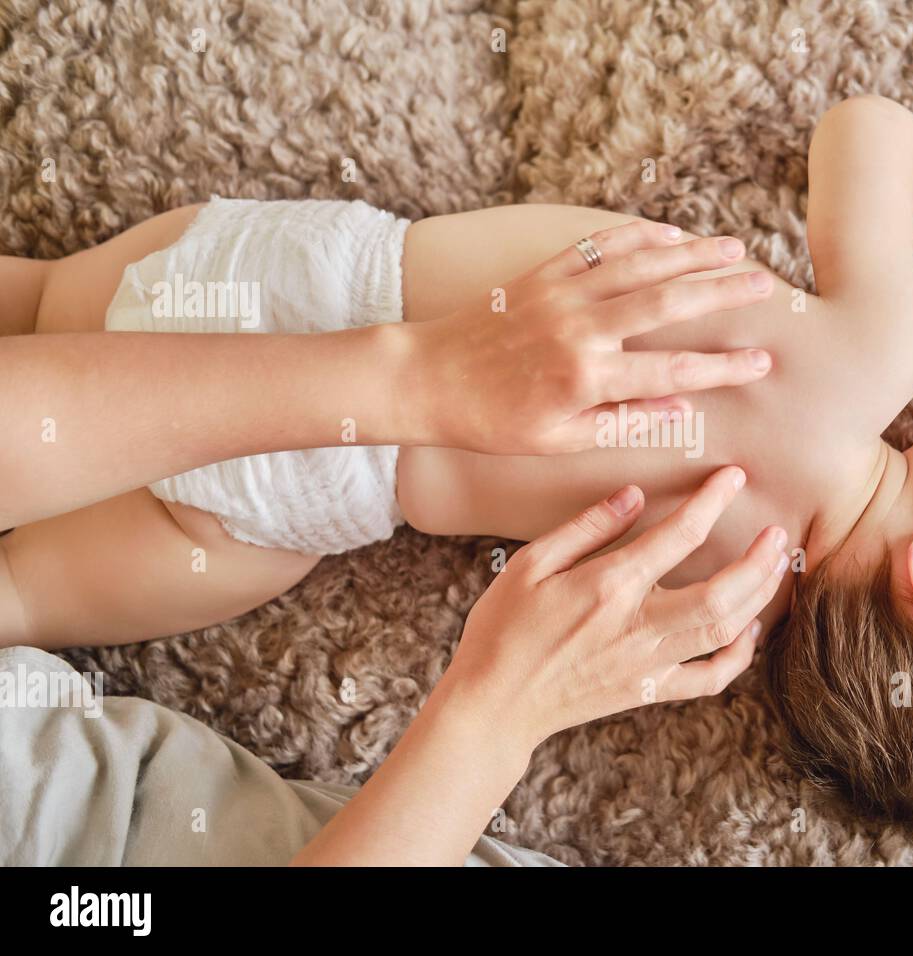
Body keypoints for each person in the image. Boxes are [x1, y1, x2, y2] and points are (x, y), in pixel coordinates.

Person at [0, 232, 777, 865]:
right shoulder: (773, 594)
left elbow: (870, 130)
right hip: (317, 453)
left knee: (44, 308)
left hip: (310, 362)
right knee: (23, 581)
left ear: (911, 575)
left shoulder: (870, 355)